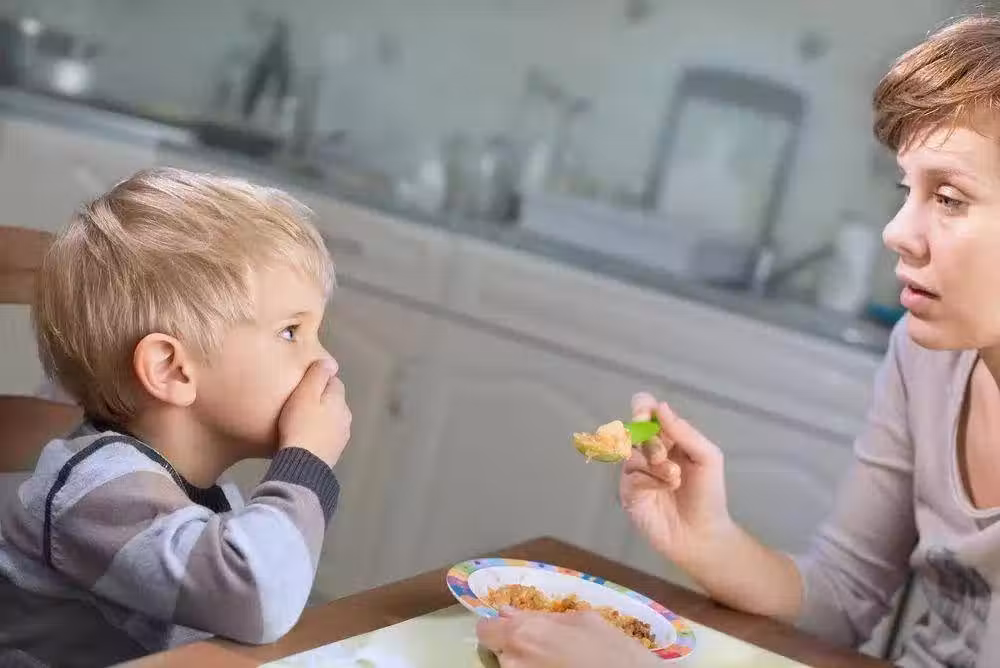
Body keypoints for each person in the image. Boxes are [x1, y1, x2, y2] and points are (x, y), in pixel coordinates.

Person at [478, 14, 1000, 667]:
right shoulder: (923, 358)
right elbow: (842, 598)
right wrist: (709, 540)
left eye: (948, 197)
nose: (896, 231)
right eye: (908, 190)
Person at [0, 168, 352, 667]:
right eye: (291, 332)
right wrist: (306, 461)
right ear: (171, 369)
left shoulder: (196, 489)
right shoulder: (98, 494)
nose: (326, 362)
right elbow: (260, 597)